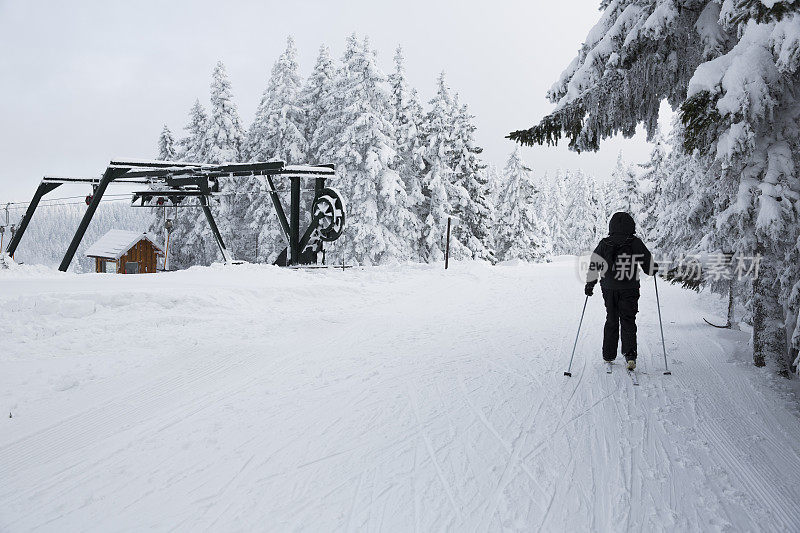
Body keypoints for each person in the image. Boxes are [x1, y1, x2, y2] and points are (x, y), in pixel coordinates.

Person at [585, 212, 657, 371]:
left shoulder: (604, 243)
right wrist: (653, 269)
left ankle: (608, 355)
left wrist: (590, 284)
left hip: (609, 288)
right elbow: (648, 266)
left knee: (611, 318)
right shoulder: (635, 242)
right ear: (631, 225)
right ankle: (630, 355)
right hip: (630, 288)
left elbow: (594, 264)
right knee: (628, 320)